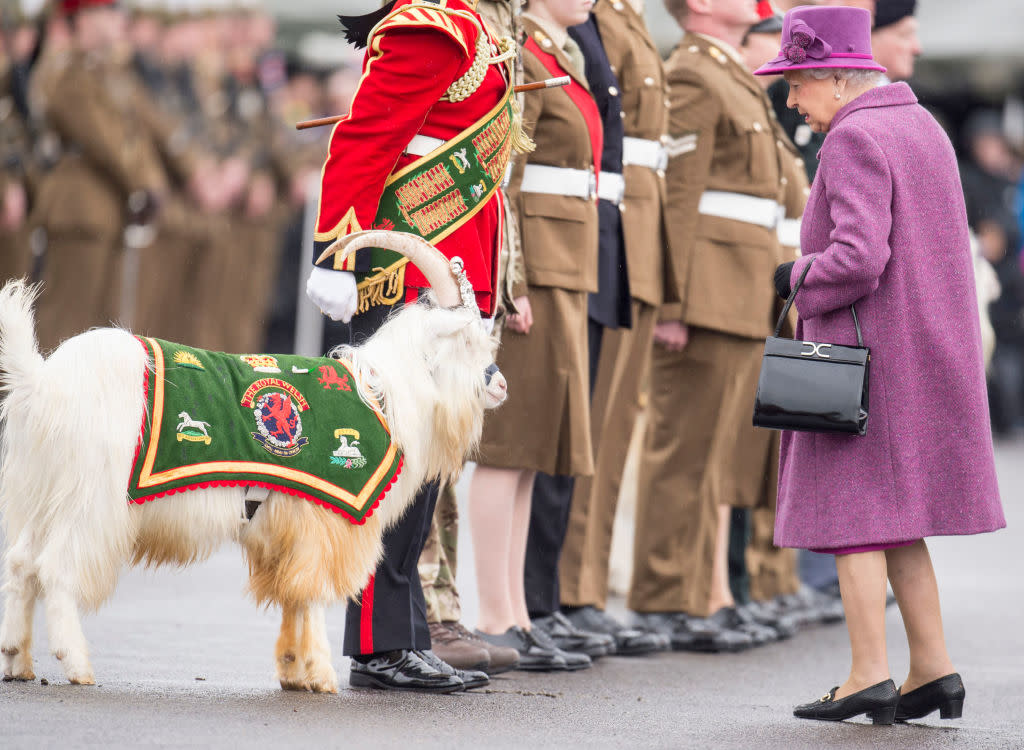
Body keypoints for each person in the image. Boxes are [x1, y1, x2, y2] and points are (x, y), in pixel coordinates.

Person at [754, 5, 1005, 723]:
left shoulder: (855, 137)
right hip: (920, 356)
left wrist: (793, 276)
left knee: (852, 517)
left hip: (865, 359)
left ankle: (869, 672)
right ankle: (934, 668)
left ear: (836, 73)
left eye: (798, 81)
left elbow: (859, 258)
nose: (792, 97)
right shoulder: (922, 124)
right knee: (899, 522)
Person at [306, 0, 527, 692]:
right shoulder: (430, 26)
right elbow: (364, 139)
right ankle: (378, 644)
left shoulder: (471, 27)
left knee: (430, 460)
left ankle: (402, 633)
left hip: (451, 270)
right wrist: (337, 252)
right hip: (409, 273)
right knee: (395, 462)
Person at [627, 0, 791, 653]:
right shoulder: (695, 71)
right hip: (704, 296)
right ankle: (665, 595)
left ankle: (695, 592)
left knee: (714, 457)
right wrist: (672, 302)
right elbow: (680, 196)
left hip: (738, 290)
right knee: (684, 452)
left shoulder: (728, 72)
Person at [470, 0, 600, 672]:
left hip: (565, 259)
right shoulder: (524, 54)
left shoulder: (556, 52)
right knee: (509, 442)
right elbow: (505, 179)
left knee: (532, 448)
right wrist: (510, 277)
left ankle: (516, 609)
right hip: (536, 267)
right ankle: (494, 611)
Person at [554, 0, 675, 657]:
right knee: (590, 426)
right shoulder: (594, 13)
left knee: (613, 424)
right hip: (603, 223)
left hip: (630, 229)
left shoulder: (628, 15)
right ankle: (572, 588)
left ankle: (587, 586)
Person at [521, 5, 632, 661]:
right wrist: (510, 277)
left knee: (565, 437)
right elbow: (509, 174)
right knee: (529, 446)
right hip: (544, 251)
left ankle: (544, 601)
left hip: (581, 241)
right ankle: (528, 602)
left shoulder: (567, 44)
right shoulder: (538, 45)